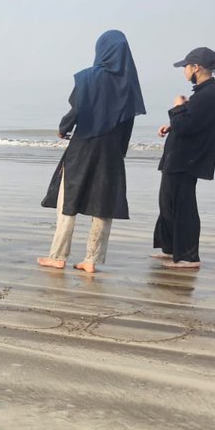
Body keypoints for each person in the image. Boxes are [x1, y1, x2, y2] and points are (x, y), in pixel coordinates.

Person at [37, 30, 146, 273]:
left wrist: (63, 129)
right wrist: (120, 151)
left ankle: (57, 256)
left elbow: (77, 110)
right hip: (111, 152)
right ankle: (91, 260)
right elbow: (129, 121)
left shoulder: (88, 77)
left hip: (83, 146)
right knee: (103, 202)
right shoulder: (129, 84)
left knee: (68, 197)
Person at [153, 47, 215, 270]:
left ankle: (188, 256)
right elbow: (190, 124)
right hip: (180, 157)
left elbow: (188, 127)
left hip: (187, 160)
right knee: (168, 202)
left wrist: (177, 108)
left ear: (197, 67)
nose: (184, 70)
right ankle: (171, 248)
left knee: (183, 206)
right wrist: (173, 122)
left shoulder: (209, 94)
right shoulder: (202, 93)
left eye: (186, 66)